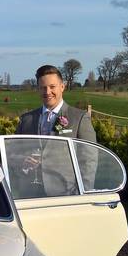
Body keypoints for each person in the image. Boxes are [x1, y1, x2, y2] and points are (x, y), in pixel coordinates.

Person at [11, 65, 97, 198]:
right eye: (43, 88)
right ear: (38, 90)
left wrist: (82, 194)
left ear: (62, 87)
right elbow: (12, 153)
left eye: (52, 87)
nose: (47, 92)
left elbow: (89, 160)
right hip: (29, 195)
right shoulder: (27, 119)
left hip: (65, 195)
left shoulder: (79, 118)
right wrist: (22, 160)